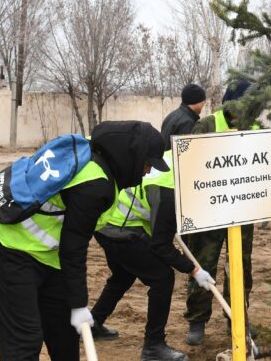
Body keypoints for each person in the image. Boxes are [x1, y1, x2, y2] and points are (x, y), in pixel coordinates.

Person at [0, 121, 166, 361]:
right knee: (24, 339)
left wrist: (75, 305)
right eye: (147, 164)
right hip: (10, 247)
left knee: (64, 334)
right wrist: (79, 304)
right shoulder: (95, 184)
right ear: (132, 155)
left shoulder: (97, 152)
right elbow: (74, 248)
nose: (148, 172)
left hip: (49, 256)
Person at [89, 148, 215, 361]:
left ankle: (93, 324)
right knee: (162, 277)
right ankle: (153, 346)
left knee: (123, 275)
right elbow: (161, 246)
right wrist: (194, 269)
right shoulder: (168, 192)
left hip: (107, 222)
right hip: (118, 228)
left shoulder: (173, 158)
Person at [184, 82, 257, 345]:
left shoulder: (253, 128)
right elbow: (190, 164)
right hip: (209, 211)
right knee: (204, 263)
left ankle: (237, 318)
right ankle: (197, 320)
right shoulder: (207, 125)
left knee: (241, 267)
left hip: (242, 210)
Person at [160, 83, 206, 150]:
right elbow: (185, 153)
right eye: (203, 101)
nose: (204, 103)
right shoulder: (187, 123)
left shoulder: (171, 116)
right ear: (195, 101)